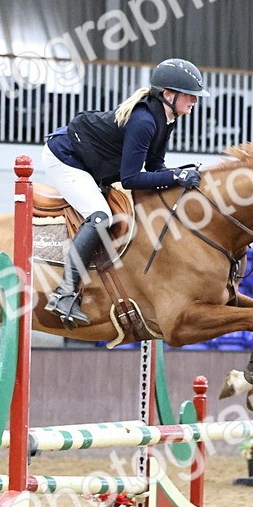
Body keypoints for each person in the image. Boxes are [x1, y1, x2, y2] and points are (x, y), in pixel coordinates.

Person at [39, 58, 209, 328]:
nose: (194, 101)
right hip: (66, 157)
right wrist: (177, 176)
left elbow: (155, 167)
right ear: (168, 94)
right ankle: (64, 294)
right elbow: (131, 179)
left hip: (90, 161)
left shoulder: (167, 117)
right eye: (190, 95)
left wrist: (178, 177)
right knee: (99, 217)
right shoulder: (144, 121)